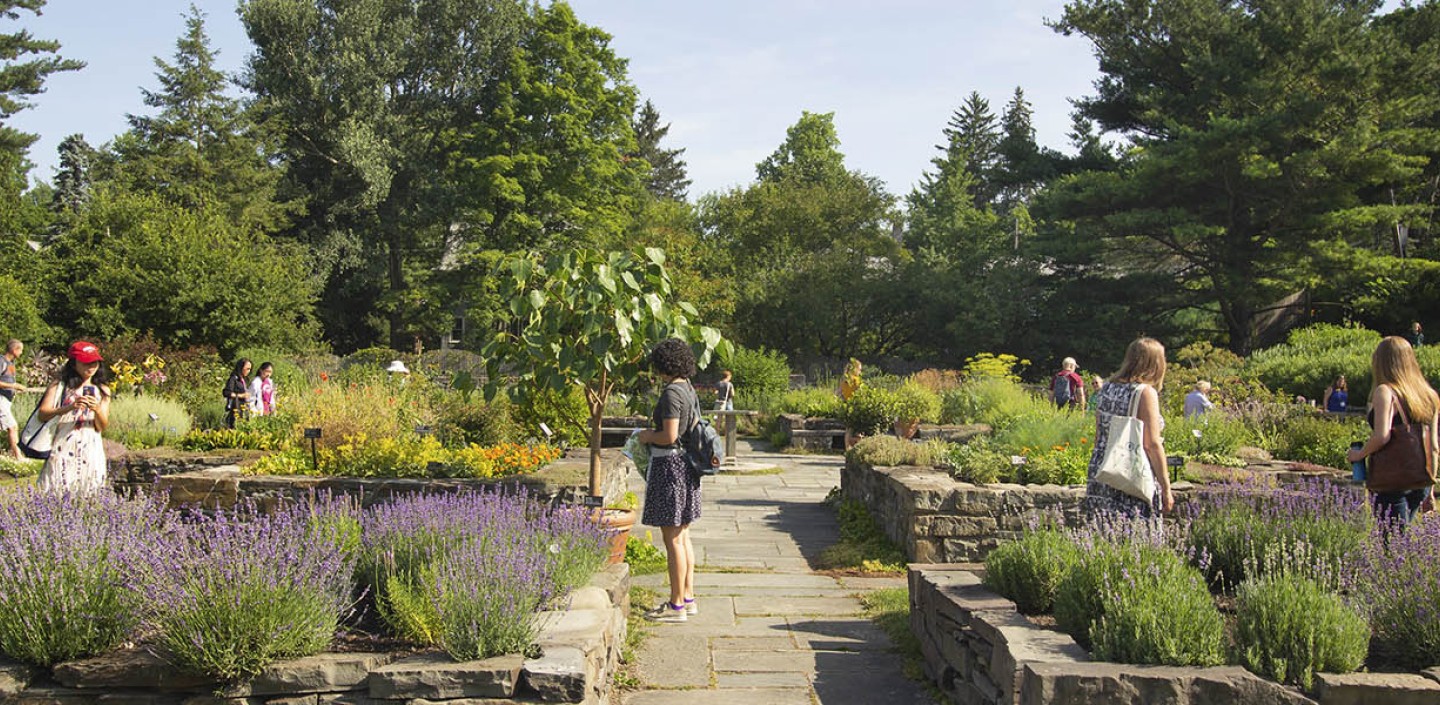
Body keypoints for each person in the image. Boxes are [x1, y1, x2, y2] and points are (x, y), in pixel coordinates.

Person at [636, 338, 701, 623]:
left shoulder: (672, 393)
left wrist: (646, 435)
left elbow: (669, 435)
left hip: (670, 467)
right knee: (683, 535)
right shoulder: (688, 388)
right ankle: (687, 597)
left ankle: (676, 606)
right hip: (686, 466)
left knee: (672, 538)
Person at [1346, 336, 1438, 525]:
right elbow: (1434, 446)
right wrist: (1430, 487)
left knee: (1390, 545)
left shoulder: (1385, 392)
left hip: (1392, 481)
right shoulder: (1429, 395)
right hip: (1419, 481)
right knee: (1399, 540)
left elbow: (1382, 436)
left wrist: (1359, 455)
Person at [1084, 338, 1174, 517]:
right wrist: (1166, 488)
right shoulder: (1144, 392)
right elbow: (1151, 444)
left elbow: (1099, 434)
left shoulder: (1106, 387)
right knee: (1135, 535)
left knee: (1102, 532)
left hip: (1102, 468)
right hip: (1129, 473)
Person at [36, 341, 111, 493]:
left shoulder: (102, 390)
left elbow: (101, 426)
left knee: (90, 490)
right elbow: (43, 414)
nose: (90, 367)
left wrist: (96, 408)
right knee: (56, 487)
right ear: (74, 363)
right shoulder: (60, 386)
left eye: (94, 363)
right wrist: (69, 407)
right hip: (63, 443)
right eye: (85, 363)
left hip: (90, 445)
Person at [0, 339, 25, 458]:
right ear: (14, 350)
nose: (21, 353)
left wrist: (14, 390)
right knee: (12, 426)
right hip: (1, 399)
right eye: (21, 350)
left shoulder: (11, 364)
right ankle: (18, 456)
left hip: (7, 401)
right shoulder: (1, 361)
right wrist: (13, 386)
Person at [223, 359, 252, 429]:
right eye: (247, 369)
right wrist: (240, 395)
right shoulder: (234, 379)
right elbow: (226, 392)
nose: (249, 371)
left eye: (250, 369)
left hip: (244, 408)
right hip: (235, 407)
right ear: (241, 367)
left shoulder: (244, 379)